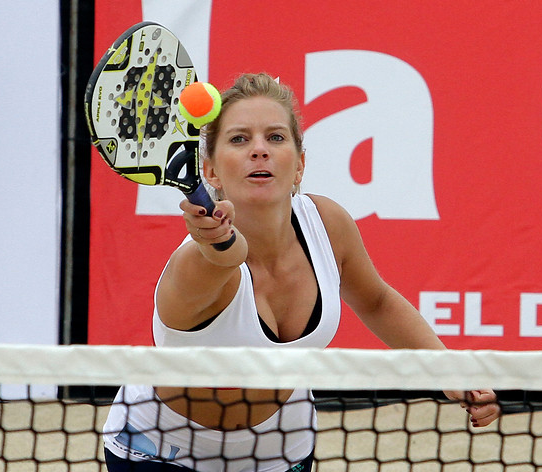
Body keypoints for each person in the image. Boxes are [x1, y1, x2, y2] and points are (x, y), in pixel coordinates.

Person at [102, 73, 501, 471]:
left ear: (299, 165)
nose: (259, 150)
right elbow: (224, 257)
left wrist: (446, 370)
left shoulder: (327, 224)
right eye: (239, 139)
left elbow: (376, 301)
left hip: (280, 451)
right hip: (163, 451)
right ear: (210, 171)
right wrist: (215, 240)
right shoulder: (195, 263)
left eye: (275, 137)